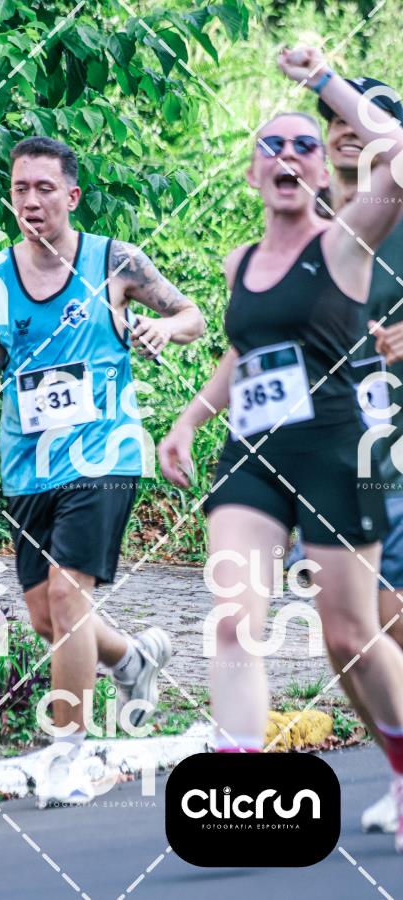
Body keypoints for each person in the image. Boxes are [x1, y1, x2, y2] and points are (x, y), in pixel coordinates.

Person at [159, 48, 403, 853]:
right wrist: (188, 421)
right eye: (274, 145)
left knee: (351, 634)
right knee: (233, 623)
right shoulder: (240, 262)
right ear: (254, 171)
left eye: (305, 144)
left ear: (322, 170)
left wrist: (323, 80)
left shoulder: (347, 243)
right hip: (253, 457)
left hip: (335, 451)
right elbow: (246, 356)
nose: (290, 155)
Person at [0, 136, 205, 806]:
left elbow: (194, 316)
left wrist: (163, 330)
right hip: (28, 463)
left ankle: (68, 752)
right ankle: (131, 658)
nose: (31, 201)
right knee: (47, 615)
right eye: (20, 189)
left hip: (105, 453)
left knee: (69, 598)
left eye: (44, 188)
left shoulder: (114, 261)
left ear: (72, 195)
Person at [316, 77, 403, 835]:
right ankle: (398, 773)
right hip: (336, 456)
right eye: (332, 118)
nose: (344, 128)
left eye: (362, 117)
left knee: (384, 616)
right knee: (344, 636)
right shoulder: (305, 219)